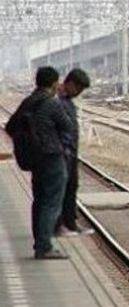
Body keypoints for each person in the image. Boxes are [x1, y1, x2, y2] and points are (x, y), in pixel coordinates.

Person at [12, 67, 72, 259]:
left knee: (39, 200)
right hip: (52, 156)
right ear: (54, 83)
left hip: (35, 158)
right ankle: (44, 246)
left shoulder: (28, 101)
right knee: (51, 201)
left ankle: (40, 241)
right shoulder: (52, 103)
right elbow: (67, 125)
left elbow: (11, 126)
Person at [56, 68, 92, 237]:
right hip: (61, 154)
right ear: (70, 84)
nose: (79, 93)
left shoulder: (67, 101)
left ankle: (70, 223)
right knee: (60, 191)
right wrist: (63, 150)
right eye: (79, 89)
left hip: (70, 154)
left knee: (71, 187)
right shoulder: (57, 101)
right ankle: (59, 225)